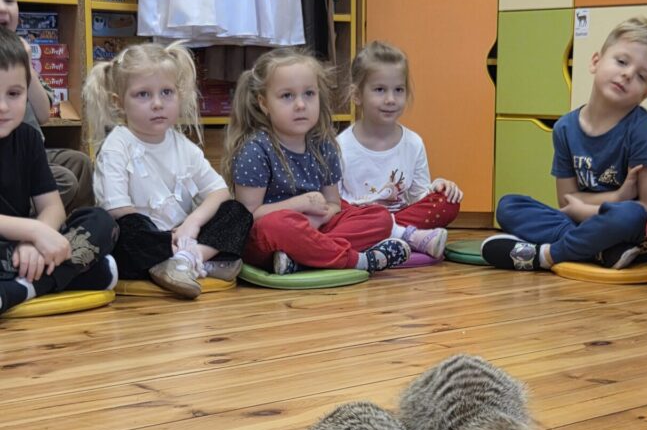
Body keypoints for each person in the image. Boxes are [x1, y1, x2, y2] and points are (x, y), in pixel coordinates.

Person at [482, 17, 647, 272]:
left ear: (646, 93)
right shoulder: (565, 128)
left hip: (633, 229)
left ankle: (546, 255)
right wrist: (616, 197)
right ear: (595, 61)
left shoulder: (642, 130)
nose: (627, 74)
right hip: (590, 222)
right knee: (509, 206)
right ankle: (601, 251)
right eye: (621, 61)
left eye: (641, 76)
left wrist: (587, 210)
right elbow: (567, 201)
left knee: (630, 215)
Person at [223, 47, 410, 274]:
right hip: (270, 237)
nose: (301, 105)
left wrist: (320, 217)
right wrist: (299, 205)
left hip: (317, 227)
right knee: (277, 226)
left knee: (380, 218)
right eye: (287, 96)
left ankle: (302, 260)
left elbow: (334, 203)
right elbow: (248, 216)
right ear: (264, 103)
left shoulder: (323, 145)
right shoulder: (255, 150)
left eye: (309, 94)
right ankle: (356, 260)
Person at [86, 42, 252, 299]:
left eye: (166, 92)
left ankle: (188, 259)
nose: (157, 104)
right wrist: (164, 239)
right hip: (143, 242)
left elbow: (219, 192)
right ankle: (186, 261)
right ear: (119, 103)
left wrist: (191, 225)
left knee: (237, 212)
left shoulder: (183, 146)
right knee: (126, 228)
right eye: (143, 94)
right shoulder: (117, 145)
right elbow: (118, 210)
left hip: (183, 236)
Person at [0, 29, 117, 316]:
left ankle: (20, 288)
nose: (3, 107)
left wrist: (33, 242)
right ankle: (79, 274)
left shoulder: (27, 138)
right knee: (97, 260)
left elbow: (52, 207)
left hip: (21, 245)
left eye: (14, 94)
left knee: (102, 221)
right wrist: (34, 231)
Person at [337, 40, 462, 260]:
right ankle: (402, 235)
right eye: (379, 90)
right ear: (357, 95)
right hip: (356, 220)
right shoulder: (339, 146)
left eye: (398, 90)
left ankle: (387, 234)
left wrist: (438, 186)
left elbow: (418, 196)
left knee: (448, 201)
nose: (391, 99)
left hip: (400, 217)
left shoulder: (413, 143)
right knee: (333, 209)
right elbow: (334, 203)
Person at [0, 0, 94, 210]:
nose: (2, 8)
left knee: (80, 163)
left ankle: (75, 225)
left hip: (32, 153)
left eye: (9, 0)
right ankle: (30, 219)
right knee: (64, 180)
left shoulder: (22, 56)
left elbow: (43, 114)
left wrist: (26, 64)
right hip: (9, 159)